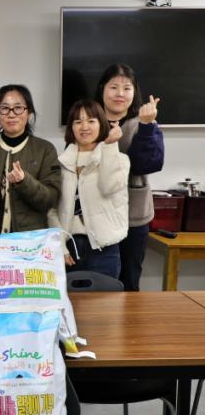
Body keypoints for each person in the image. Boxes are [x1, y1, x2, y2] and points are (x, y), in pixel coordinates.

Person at [95, 64, 164, 290]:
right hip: (96, 215)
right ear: (102, 89)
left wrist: (146, 126)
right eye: (113, 87)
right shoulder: (89, 121)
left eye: (127, 88)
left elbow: (148, 164)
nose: (120, 94)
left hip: (132, 217)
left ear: (135, 92)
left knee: (129, 281)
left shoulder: (144, 123)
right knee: (96, 282)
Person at [0, 84, 61, 239]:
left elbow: (50, 200)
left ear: (29, 113)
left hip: (30, 241)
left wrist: (24, 181)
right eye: (5, 108)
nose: (11, 114)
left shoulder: (45, 149)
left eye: (18, 108)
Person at [48, 100, 130, 279]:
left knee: (105, 298)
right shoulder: (60, 163)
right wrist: (60, 246)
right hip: (69, 247)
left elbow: (108, 187)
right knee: (68, 298)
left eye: (91, 121)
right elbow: (51, 209)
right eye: (78, 122)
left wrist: (110, 145)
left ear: (102, 124)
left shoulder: (119, 159)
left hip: (104, 249)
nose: (84, 127)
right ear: (71, 128)